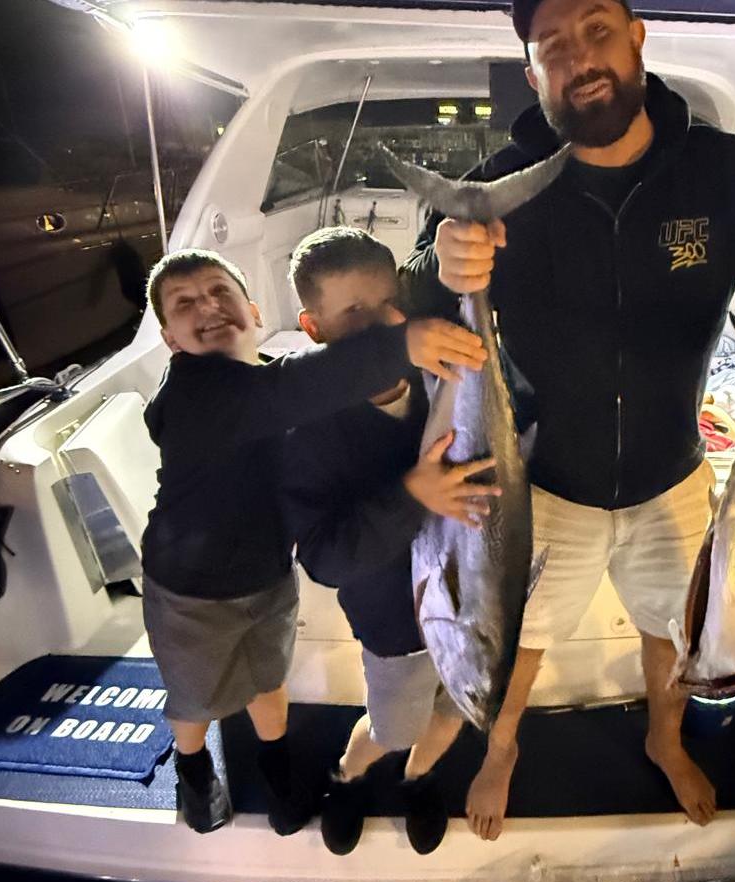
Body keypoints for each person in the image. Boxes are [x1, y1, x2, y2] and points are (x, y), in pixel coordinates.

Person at [402, 0, 735, 841]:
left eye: (596, 28)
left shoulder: (729, 175)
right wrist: (442, 259)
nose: (580, 57)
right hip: (544, 479)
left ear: (637, 36)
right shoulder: (497, 186)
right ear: (534, 74)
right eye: (553, 46)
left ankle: (663, 738)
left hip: (670, 468)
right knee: (516, 639)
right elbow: (421, 301)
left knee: (672, 631)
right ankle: (501, 750)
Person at [140, 248, 486, 835]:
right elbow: (301, 389)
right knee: (196, 699)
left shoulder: (276, 377)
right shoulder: (201, 393)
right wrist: (404, 345)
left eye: (219, 292)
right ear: (171, 341)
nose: (208, 307)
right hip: (191, 588)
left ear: (252, 311)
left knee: (269, 679)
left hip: (269, 572)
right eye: (185, 303)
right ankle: (194, 769)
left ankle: (278, 764)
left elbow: (298, 383)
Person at [283, 227, 500, 855]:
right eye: (353, 312)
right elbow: (323, 556)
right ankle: (347, 775)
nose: (381, 325)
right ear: (312, 326)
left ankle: (418, 777)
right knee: (391, 722)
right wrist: (413, 494)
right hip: (392, 623)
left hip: (473, 601)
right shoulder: (303, 425)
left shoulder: (444, 369)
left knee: (457, 708)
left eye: (387, 304)